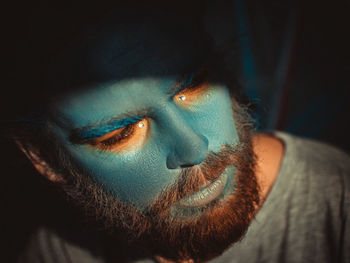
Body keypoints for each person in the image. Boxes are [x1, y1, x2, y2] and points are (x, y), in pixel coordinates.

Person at [2, 1, 349, 263]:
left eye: (195, 85)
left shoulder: (337, 205)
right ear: (43, 158)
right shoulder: (59, 249)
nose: (194, 147)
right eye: (121, 132)